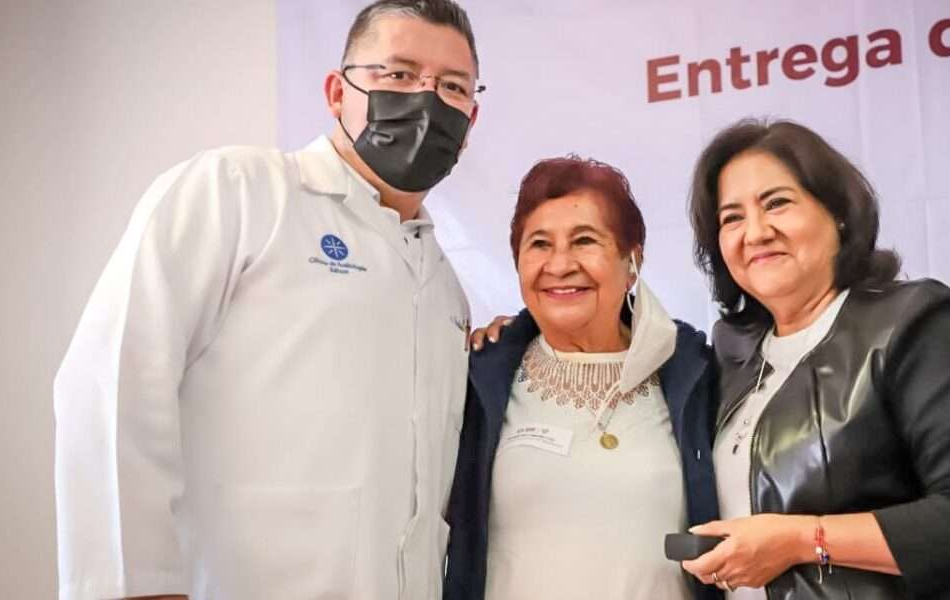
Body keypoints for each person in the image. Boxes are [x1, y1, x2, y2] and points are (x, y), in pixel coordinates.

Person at [53, 2, 481, 598]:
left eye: (452, 86)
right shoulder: (237, 192)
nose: (427, 99)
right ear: (338, 92)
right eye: (399, 73)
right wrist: (135, 587)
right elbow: (112, 382)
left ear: (471, 119)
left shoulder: (445, 288)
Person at [680, 119, 950, 599]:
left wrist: (801, 541)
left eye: (777, 203)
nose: (756, 232)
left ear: (839, 214)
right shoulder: (729, 355)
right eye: (732, 218)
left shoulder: (912, 323)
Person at [444, 157, 722, 600]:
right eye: (539, 244)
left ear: (632, 262)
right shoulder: (478, 378)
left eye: (585, 240)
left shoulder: (696, 376)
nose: (559, 264)